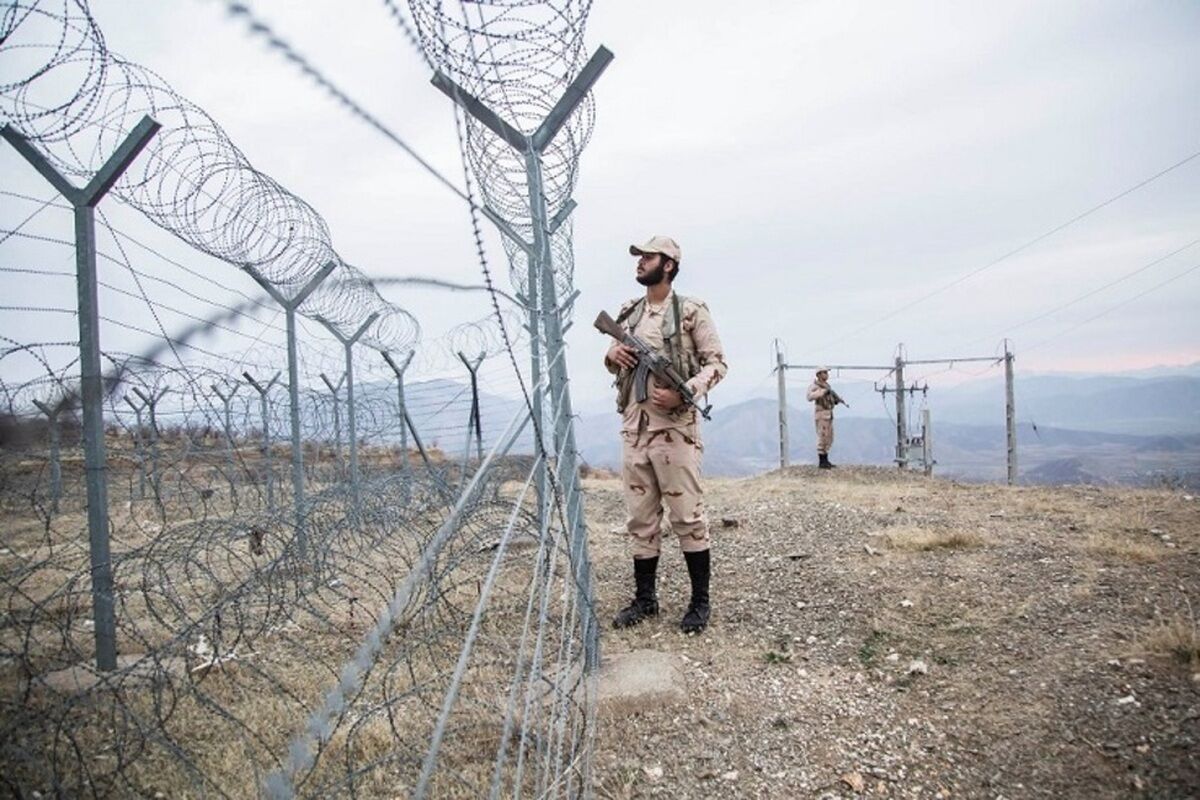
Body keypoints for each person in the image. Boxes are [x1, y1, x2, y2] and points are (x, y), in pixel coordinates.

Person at [603, 235, 728, 634]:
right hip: (635, 428)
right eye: (638, 257)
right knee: (640, 520)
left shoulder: (691, 311)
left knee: (687, 517)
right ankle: (645, 600)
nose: (639, 262)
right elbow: (612, 360)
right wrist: (612, 355)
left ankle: (699, 602)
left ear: (669, 265)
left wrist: (686, 391)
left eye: (648, 257)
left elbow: (718, 363)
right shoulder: (630, 312)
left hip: (674, 429)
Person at [806, 367, 839, 468]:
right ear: (819, 375)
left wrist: (835, 400)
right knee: (822, 436)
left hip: (828, 413)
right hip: (821, 414)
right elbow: (809, 397)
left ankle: (826, 460)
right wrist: (821, 392)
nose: (826, 374)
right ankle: (822, 461)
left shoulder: (827, 386)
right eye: (824, 372)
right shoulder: (815, 386)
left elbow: (830, 397)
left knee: (829, 437)